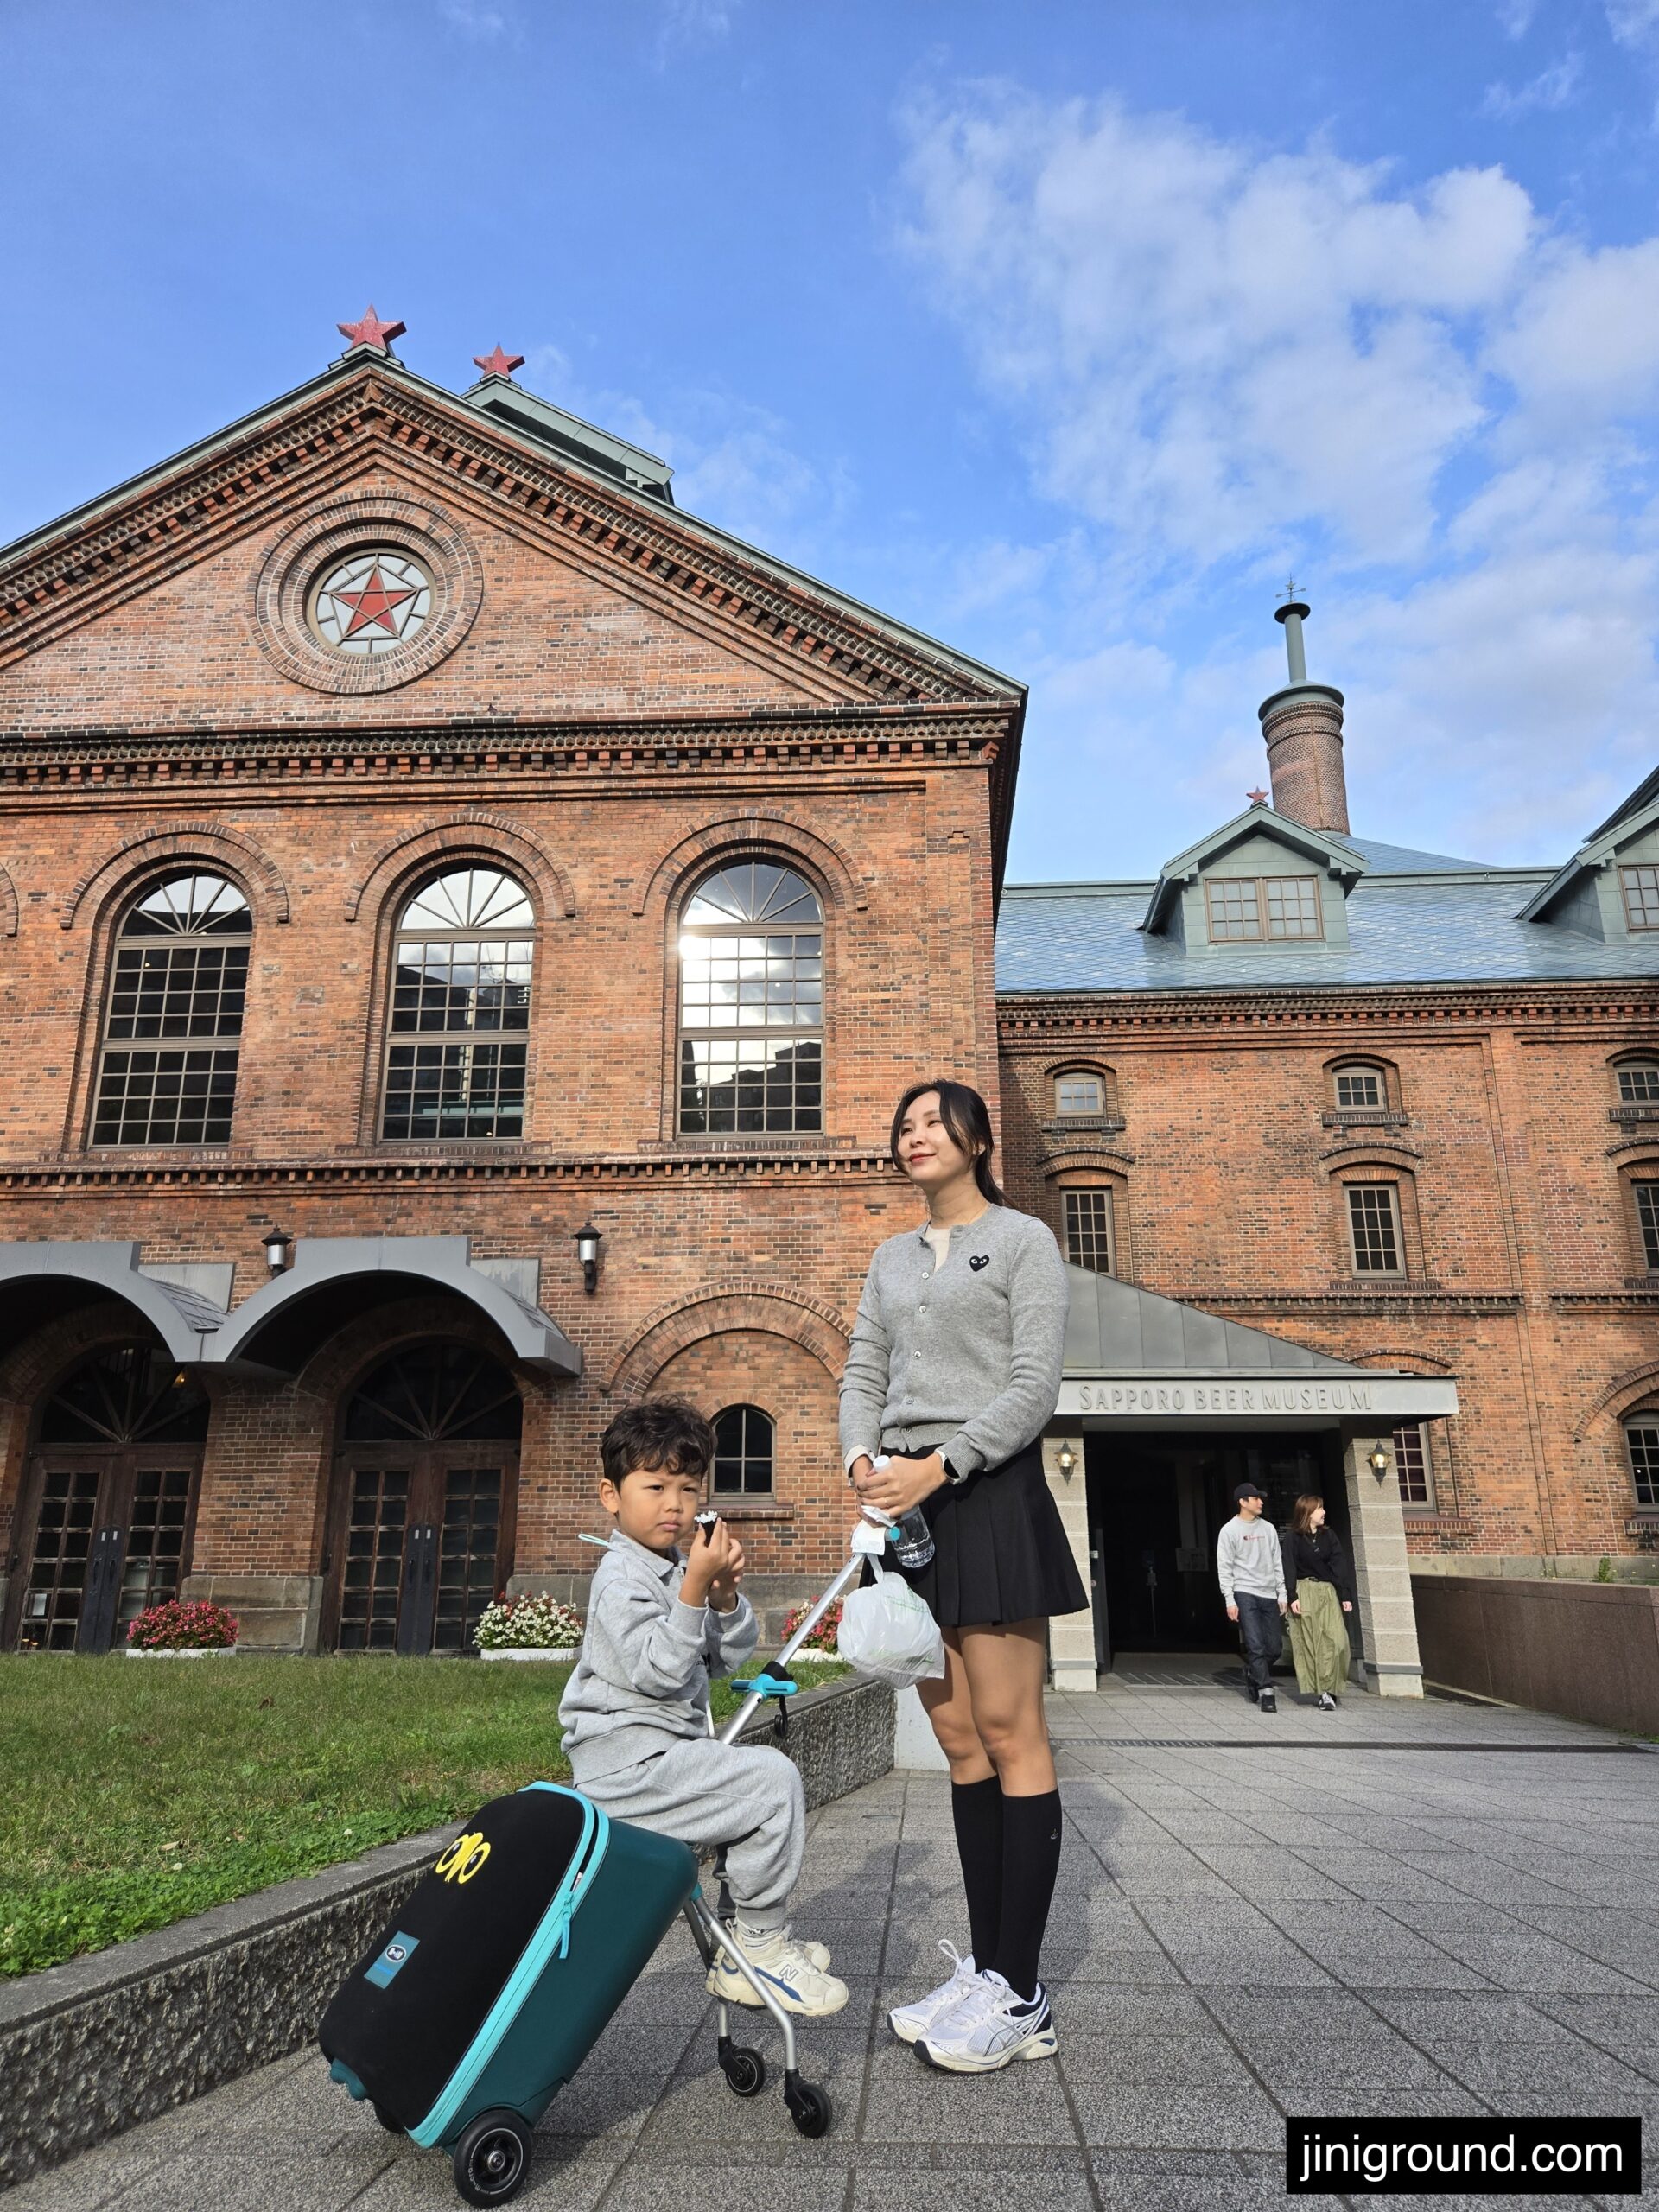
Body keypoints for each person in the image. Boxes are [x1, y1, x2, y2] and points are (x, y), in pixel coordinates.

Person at [842, 1077, 1084, 2074]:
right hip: (899, 1505)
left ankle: (1023, 1996)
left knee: (1008, 1730)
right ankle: (986, 1969)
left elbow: (1034, 1383)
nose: (916, 1136)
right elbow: (862, 1366)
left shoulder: (1023, 1240)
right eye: (903, 1125)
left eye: (934, 1123)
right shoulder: (891, 1257)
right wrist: (863, 1461)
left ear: (977, 1140)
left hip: (983, 1491)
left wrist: (944, 1464)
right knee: (953, 1736)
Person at [558, 1396, 848, 2016]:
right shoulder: (620, 1578)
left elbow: (718, 1661)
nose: (675, 1505)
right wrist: (693, 1588)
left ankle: (743, 1939)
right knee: (773, 1783)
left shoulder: (673, 1568)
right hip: (626, 1769)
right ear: (611, 1495)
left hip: (662, 1756)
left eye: (689, 1489)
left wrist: (721, 1597)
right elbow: (661, 1674)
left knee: (751, 1790)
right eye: (655, 1485)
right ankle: (760, 1944)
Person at [1216, 1481, 1287, 1713]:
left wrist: (1282, 1593)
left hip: (1269, 1593)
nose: (1261, 1502)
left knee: (1275, 1648)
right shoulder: (1229, 1531)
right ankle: (1267, 1691)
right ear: (1242, 1502)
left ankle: (1253, 1673)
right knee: (1256, 1645)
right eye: (1256, 1498)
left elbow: (1278, 1562)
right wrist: (1230, 1599)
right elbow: (1224, 1567)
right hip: (1244, 1592)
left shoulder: (1268, 1529)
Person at [1283, 1493, 1356, 1711]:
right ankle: (1324, 1692)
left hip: (1327, 1591)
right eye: (1319, 1509)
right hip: (1304, 1590)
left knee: (1338, 1642)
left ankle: (1331, 1687)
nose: (1323, 1512)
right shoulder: (1293, 1538)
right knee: (1312, 1643)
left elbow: (1339, 1564)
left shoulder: (1329, 1536)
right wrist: (1291, 1596)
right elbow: (1288, 1567)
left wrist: (1345, 1594)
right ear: (1308, 1512)